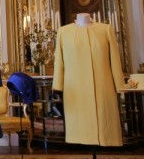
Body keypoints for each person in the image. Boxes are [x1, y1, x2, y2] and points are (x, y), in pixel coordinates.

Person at [52, 12, 124, 146]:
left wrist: (119, 84)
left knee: (104, 122)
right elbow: (59, 62)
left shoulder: (106, 30)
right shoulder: (64, 32)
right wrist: (58, 86)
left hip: (102, 85)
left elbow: (115, 59)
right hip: (75, 88)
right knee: (80, 123)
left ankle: (104, 138)